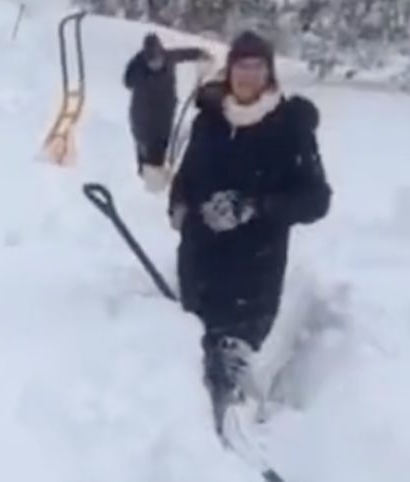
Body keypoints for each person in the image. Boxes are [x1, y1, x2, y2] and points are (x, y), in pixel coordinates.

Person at [165, 29, 332, 415]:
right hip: (199, 266)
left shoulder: (290, 127)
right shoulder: (210, 120)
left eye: (258, 67)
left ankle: (235, 428)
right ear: (229, 70)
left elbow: (316, 201)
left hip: (253, 274)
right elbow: (186, 178)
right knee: (190, 365)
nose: (248, 75)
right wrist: (179, 207)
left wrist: (254, 207)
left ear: (270, 74)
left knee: (230, 372)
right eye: (242, 66)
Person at [122, 31, 210, 192]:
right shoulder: (138, 70)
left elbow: (184, 54)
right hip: (145, 122)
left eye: (157, 60)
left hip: (166, 115)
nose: (155, 65)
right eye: (151, 62)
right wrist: (136, 64)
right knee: (149, 157)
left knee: (163, 151)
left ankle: (160, 184)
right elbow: (127, 82)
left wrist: (200, 54)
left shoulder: (169, 58)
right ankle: (148, 187)